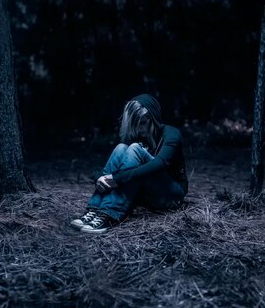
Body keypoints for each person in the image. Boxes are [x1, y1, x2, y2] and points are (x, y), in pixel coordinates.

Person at [71, 94, 188, 233]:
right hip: (146, 195)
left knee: (135, 148)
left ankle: (110, 214)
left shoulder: (171, 133)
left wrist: (117, 178)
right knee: (121, 147)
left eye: (143, 122)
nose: (140, 129)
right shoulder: (138, 136)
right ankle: (95, 209)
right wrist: (100, 177)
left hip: (171, 196)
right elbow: (116, 167)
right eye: (136, 124)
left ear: (154, 118)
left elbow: (160, 163)